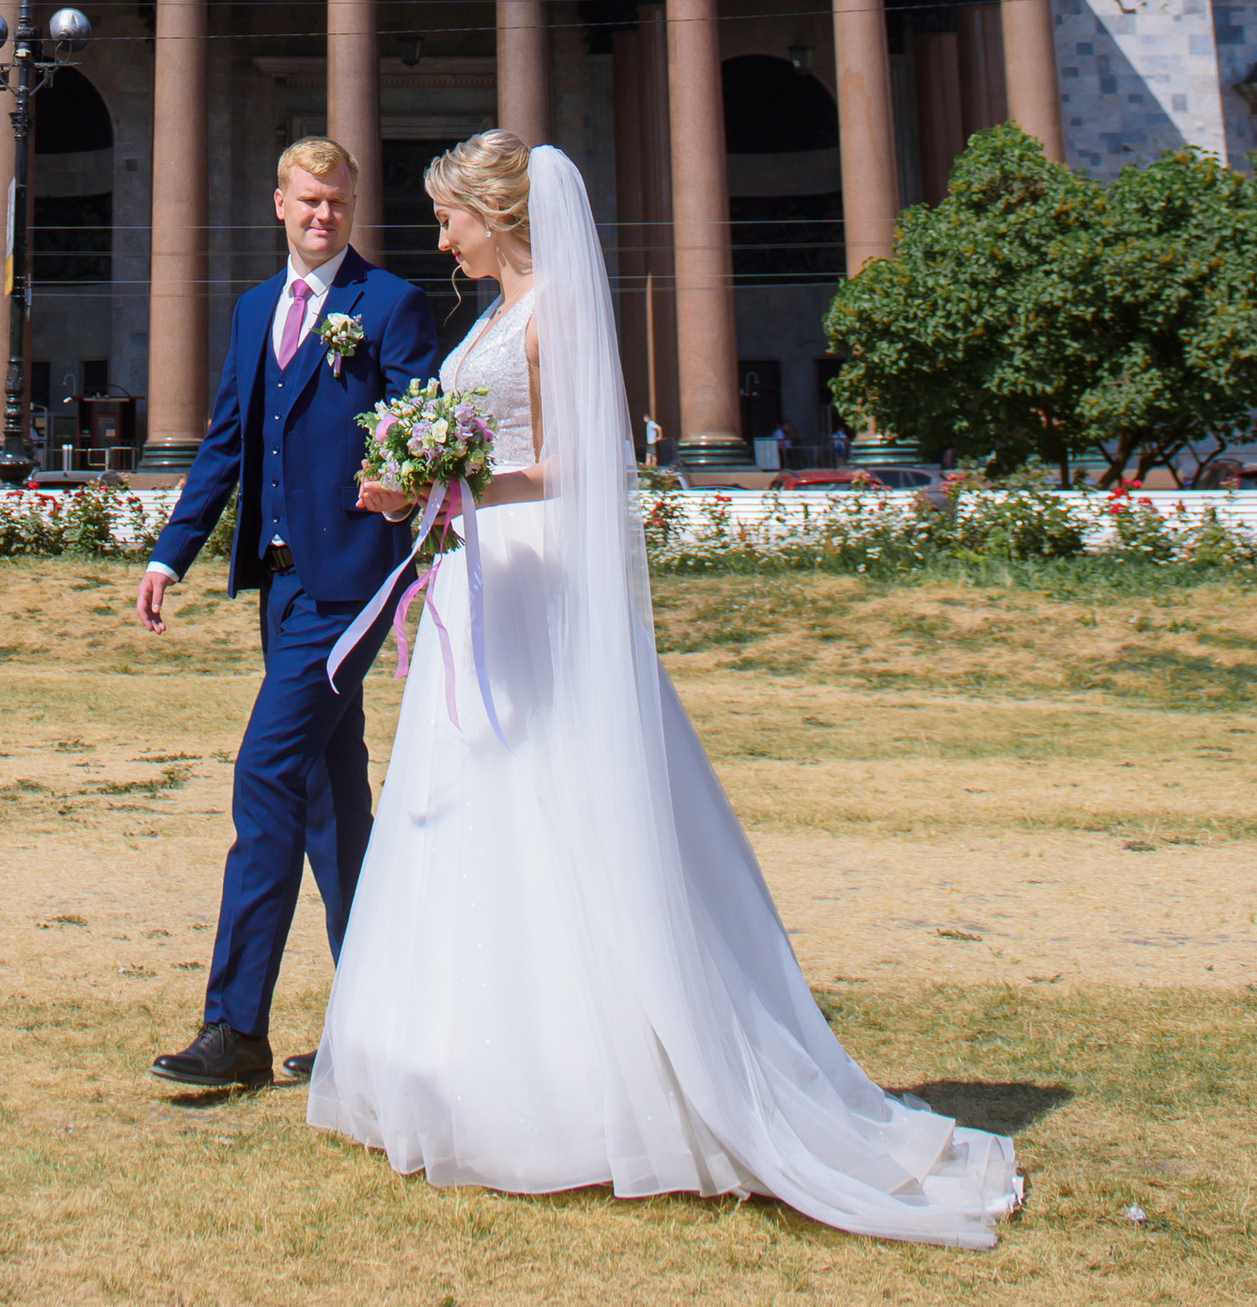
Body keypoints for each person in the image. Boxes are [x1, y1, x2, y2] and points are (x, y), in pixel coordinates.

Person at [306, 132, 1020, 1245]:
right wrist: (427, 482)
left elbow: (578, 465)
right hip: (478, 581)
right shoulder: (493, 316)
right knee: (469, 809)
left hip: (530, 576)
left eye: (452, 215)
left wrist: (448, 475)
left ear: (502, 216)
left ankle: (577, 1081)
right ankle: (459, 1058)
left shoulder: (547, 316)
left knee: (546, 804)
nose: (439, 234)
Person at [137, 137, 439, 1093]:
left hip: (349, 589)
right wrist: (168, 551)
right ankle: (380, 1020)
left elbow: (419, 426)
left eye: (339, 203)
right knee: (330, 801)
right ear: (278, 203)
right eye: (309, 202)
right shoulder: (255, 309)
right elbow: (226, 441)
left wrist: (397, 482)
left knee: (264, 775)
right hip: (280, 590)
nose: (324, 217)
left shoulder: (389, 304)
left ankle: (236, 1025)